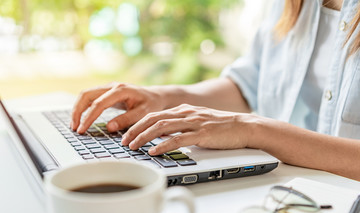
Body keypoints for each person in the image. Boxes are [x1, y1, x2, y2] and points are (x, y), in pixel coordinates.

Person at [71, 0, 360, 181]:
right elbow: (249, 84)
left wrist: (254, 130)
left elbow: (253, 124)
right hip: (289, 193)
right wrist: (163, 98)